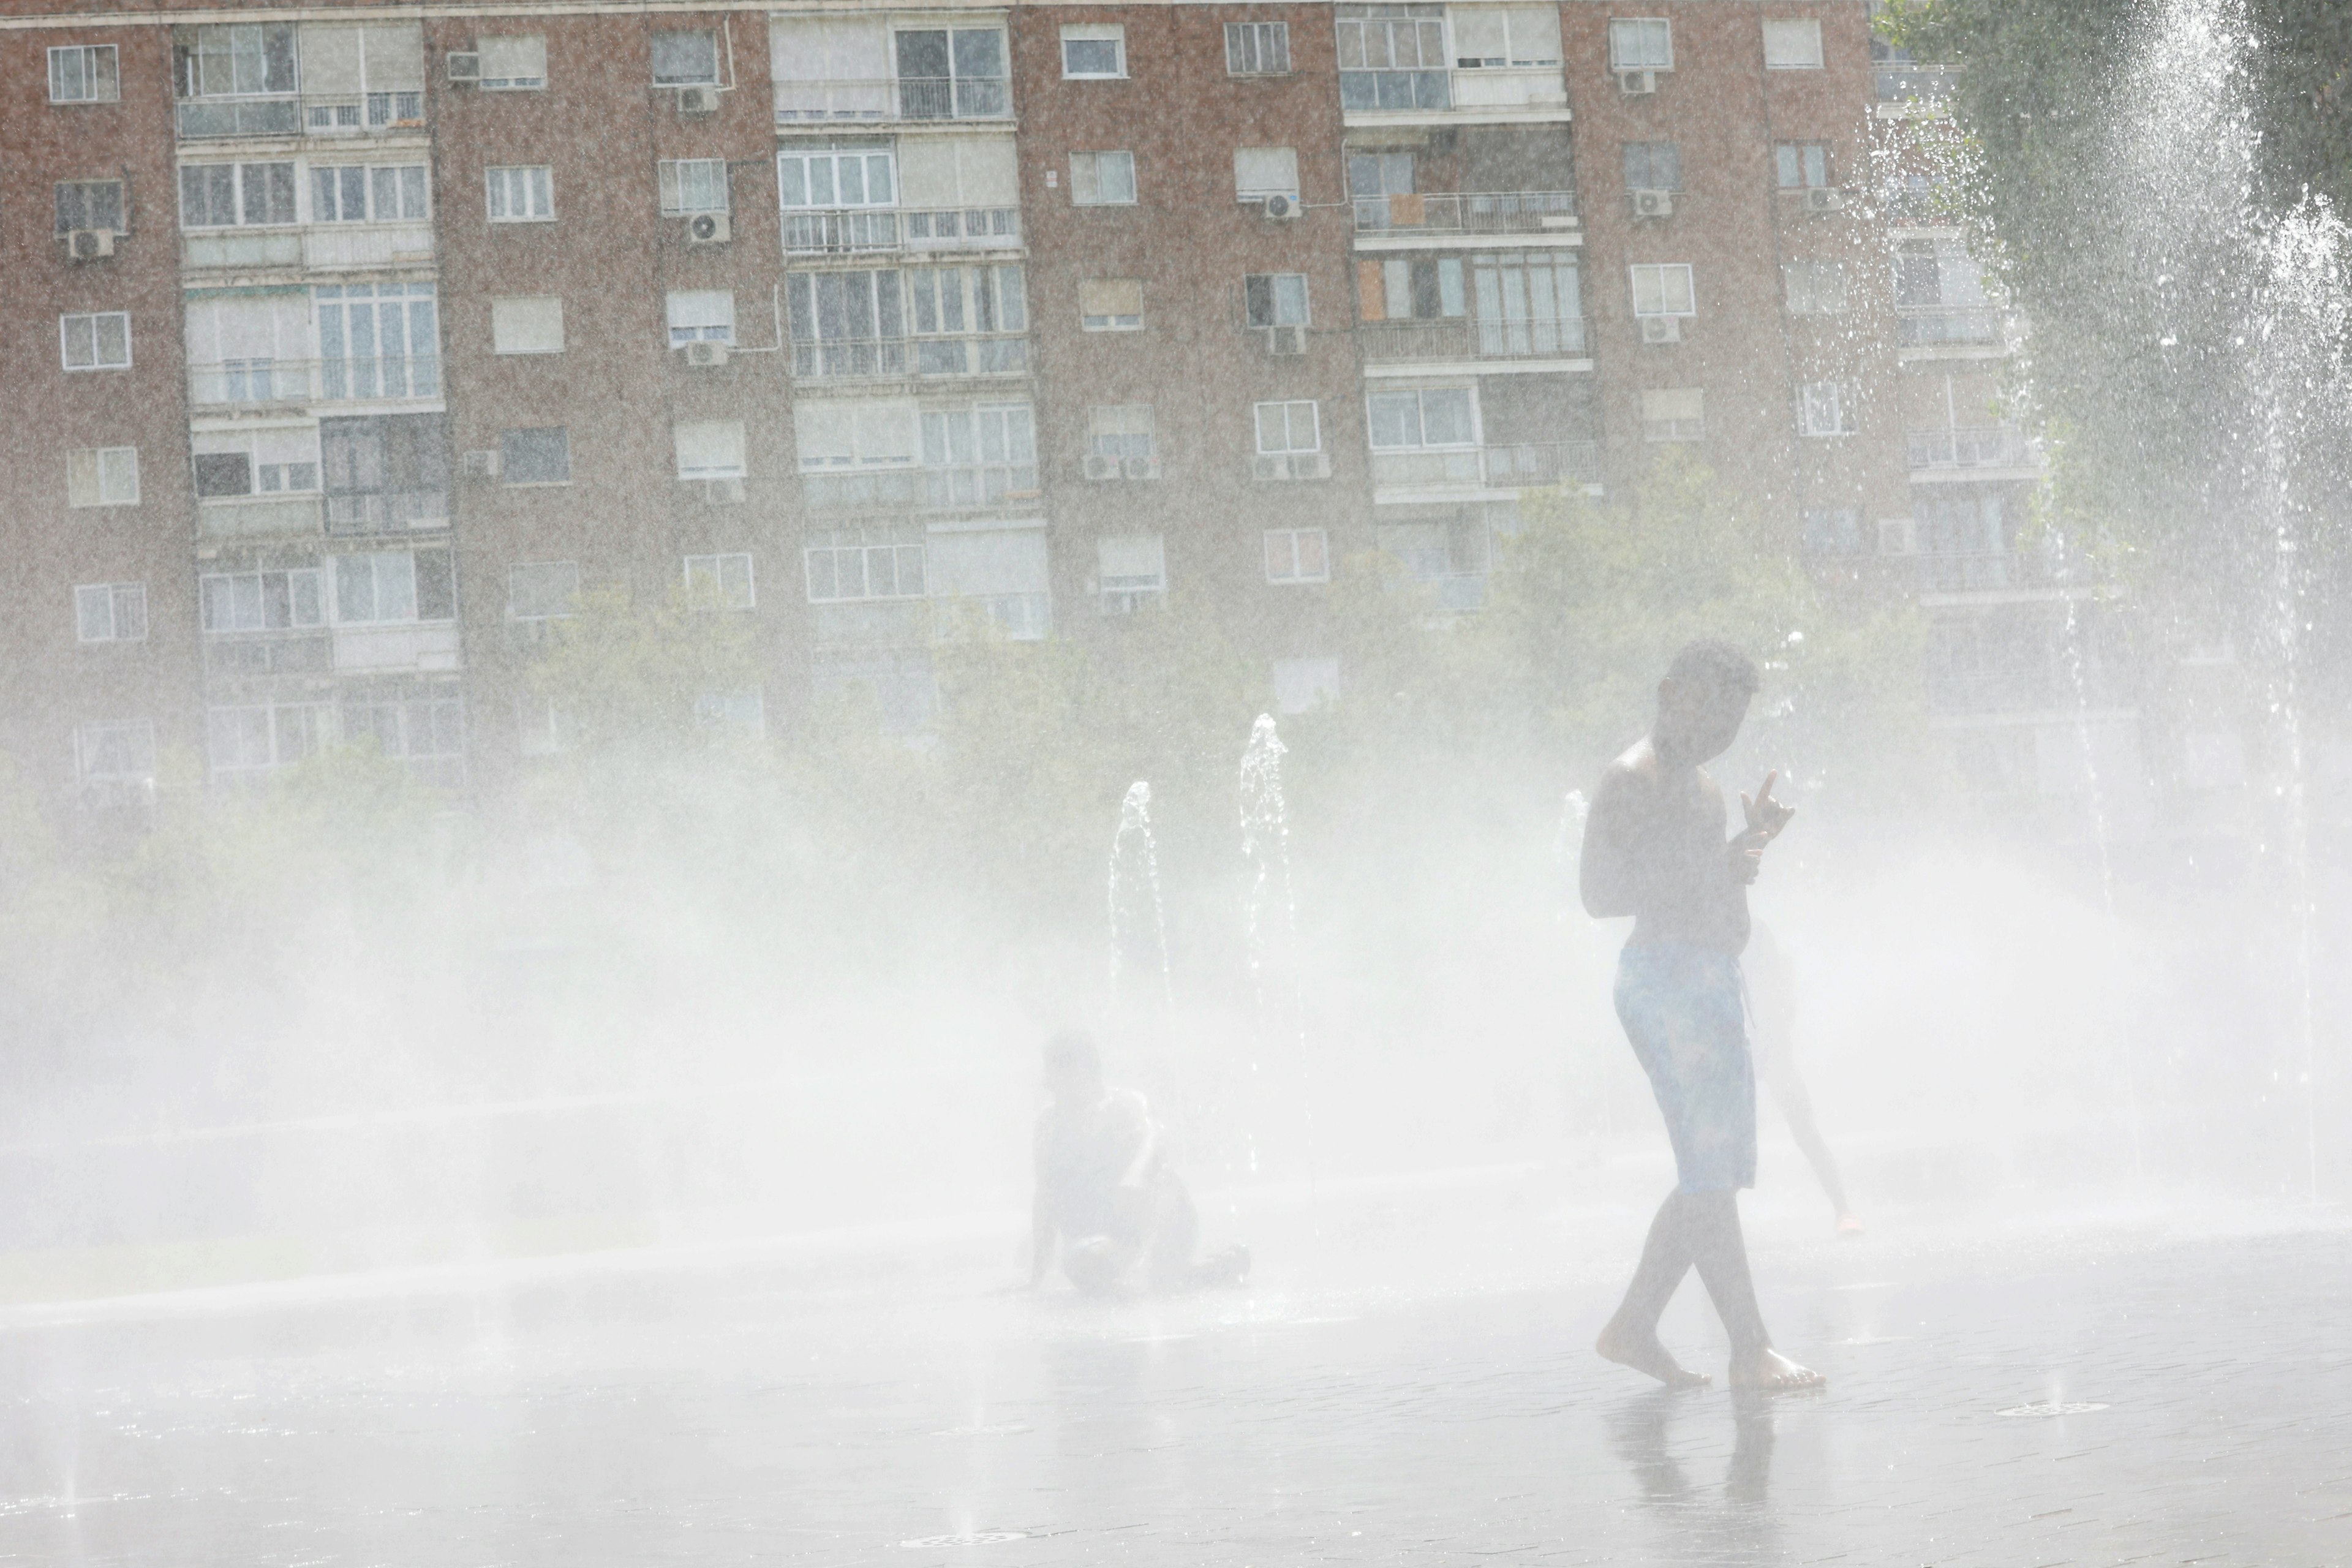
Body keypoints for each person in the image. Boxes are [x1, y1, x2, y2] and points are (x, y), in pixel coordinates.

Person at [1579, 639, 1824, 1392]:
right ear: (1668, 691)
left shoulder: (1709, 791)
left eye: (1734, 721)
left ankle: (1633, 1326)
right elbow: (1598, 893)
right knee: (1710, 1174)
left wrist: (1745, 851)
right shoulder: (1632, 779)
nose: (1720, 731)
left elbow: (1717, 902)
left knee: (1709, 1173)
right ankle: (1750, 1349)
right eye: (1711, 710)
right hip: (1661, 983)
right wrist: (1709, 868)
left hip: (1711, 977)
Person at [1028, 1031, 1250, 1295]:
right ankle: (1187, 1274)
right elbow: (1045, 1196)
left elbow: (1154, 1139)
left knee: (1163, 1176)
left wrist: (1135, 1177)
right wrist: (1036, 1274)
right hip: (1096, 1245)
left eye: (1054, 1075)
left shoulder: (1125, 1105)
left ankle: (1173, 1270)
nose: (1046, 1085)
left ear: (1081, 1071)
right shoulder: (1048, 1125)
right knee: (1082, 1263)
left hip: (1143, 1226)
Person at [1744, 922, 1864, 1237]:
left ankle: (1843, 1208)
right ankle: (1843, 1208)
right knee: (1805, 1133)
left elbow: (1782, 1018)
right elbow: (1786, 1017)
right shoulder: (1771, 972)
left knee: (1801, 1133)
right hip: (1760, 1051)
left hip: (1757, 1051)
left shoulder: (1755, 971)